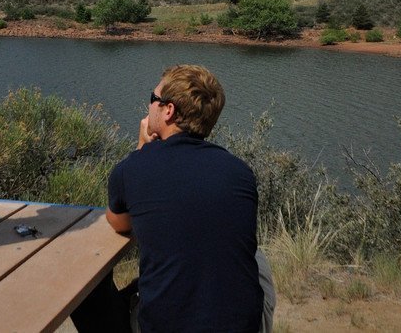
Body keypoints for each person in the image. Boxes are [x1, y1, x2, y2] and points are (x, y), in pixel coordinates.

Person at [72, 64, 275, 333]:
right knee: (253, 256)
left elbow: (120, 223)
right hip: (247, 325)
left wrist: (141, 150)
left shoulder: (133, 169)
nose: (149, 106)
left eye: (152, 98)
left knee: (82, 284)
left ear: (168, 110)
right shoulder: (239, 171)